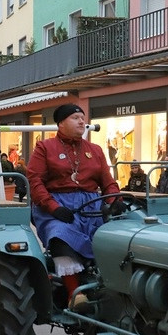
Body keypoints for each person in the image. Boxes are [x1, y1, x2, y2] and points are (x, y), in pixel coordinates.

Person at [27, 103, 121, 312]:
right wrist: (53, 208)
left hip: (91, 206)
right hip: (57, 207)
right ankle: (75, 294)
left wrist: (115, 200)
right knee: (59, 235)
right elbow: (35, 181)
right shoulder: (45, 147)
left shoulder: (94, 150)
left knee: (115, 236)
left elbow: (108, 181)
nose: (81, 121)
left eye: (82, 117)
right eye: (75, 117)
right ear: (61, 123)